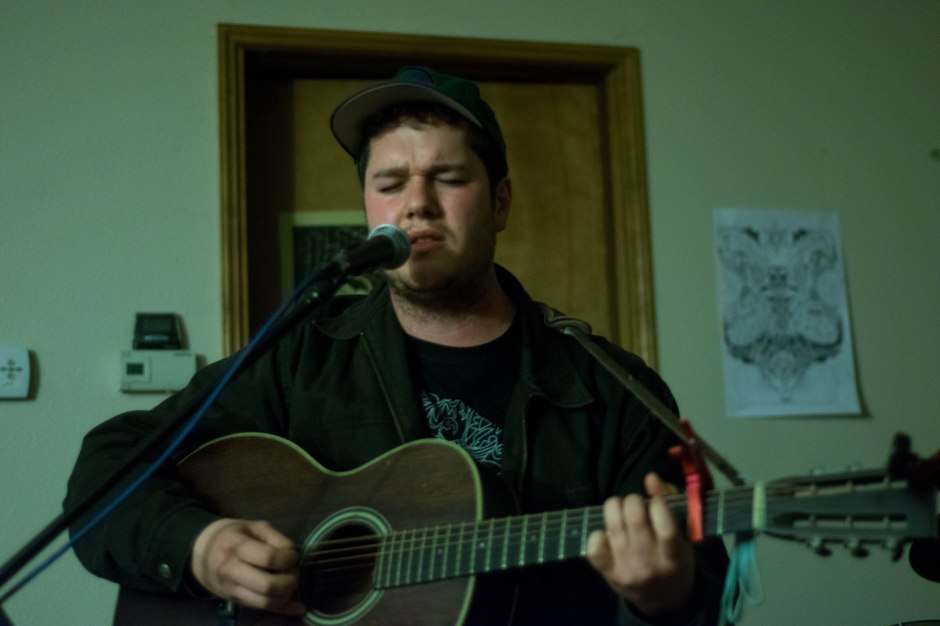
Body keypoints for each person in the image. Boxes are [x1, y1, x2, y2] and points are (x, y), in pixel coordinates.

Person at [65, 66, 728, 625]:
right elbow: (110, 467)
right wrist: (201, 546)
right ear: (369, 209)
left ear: (499, 203)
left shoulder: (614, 390)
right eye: (390, 184)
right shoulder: (299, 358)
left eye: (448, 177)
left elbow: (703, 587)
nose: (417, 204)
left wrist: (665, 595)